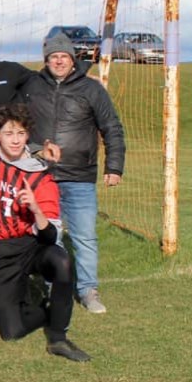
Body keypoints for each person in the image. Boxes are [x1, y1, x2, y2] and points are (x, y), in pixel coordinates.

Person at [0, 104, 91, 362]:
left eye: (21, 133)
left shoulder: (39, 176)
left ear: (27, 136)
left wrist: (36, 210)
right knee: (11, 333)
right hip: (2, 251)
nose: (15, 140)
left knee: (61, 260)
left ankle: (58, 337)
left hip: (31, 245)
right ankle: (43, 308)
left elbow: (50, 237)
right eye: (9, 133)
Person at [23, 33, 126, 314]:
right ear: (46, 60)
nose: (58, 60)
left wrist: (114, 166)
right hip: (42, 177)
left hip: (79, 176)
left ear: (73, 59)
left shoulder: (92, 89)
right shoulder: (32, 85)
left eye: (64, 56)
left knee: (84, 237)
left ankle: (88, 290)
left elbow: (112, 127)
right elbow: (15, 122)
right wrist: (33, 149)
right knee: (48, 237)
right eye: (53, 56)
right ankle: (52, 288)